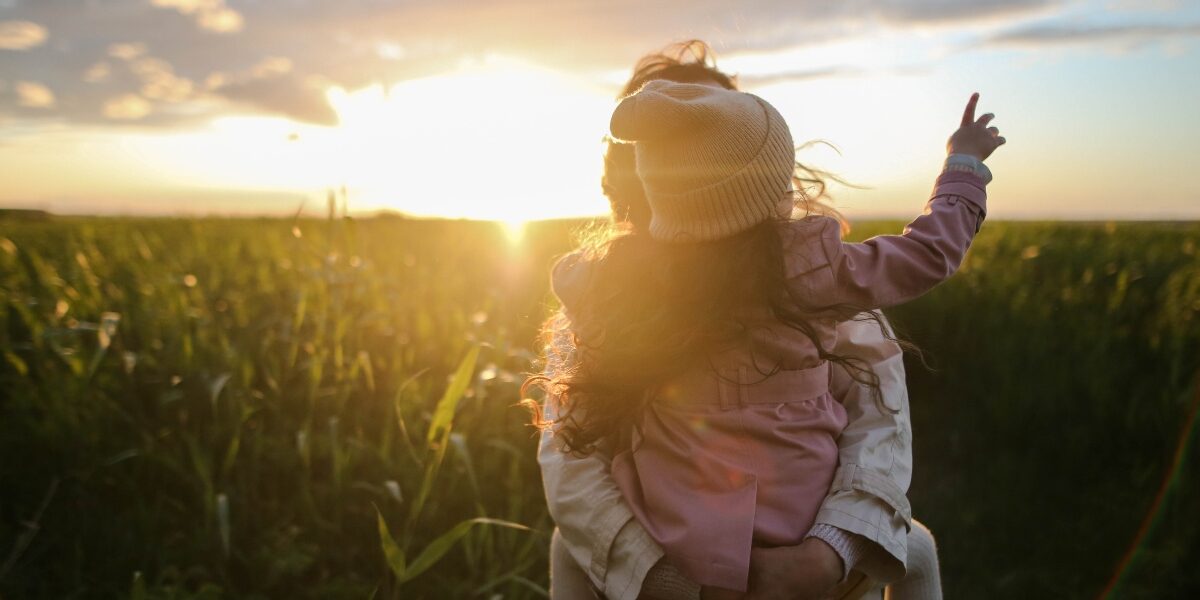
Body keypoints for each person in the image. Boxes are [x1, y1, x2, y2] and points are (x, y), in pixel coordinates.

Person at [534, 41, 1000, 598]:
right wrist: (963, 170)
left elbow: (878, 419)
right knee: (915, 549)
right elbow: (573, 463)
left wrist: (828, 550)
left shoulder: (610, 283)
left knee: (913, 548)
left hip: (752, 543)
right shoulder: (814, 272)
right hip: (695, 551)